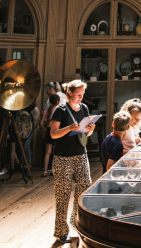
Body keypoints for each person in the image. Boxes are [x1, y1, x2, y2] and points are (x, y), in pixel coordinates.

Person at [48, 80, 96, 243]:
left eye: (83, 95)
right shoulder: (60, 110)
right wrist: (69, 128)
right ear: (69, 93)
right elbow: (53, 134)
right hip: (62, 158)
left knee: (84, 190)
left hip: (80, 155)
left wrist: (89, 131)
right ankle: (61, 232)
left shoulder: (84, 108)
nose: (81, 98)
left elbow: (84, 136)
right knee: (62, 194)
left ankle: (77, 224)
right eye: (78, 95)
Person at [42, 93, 61, 176]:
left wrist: (44, 130)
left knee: (47, 153)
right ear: (57, 102)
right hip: (56, 130)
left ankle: (45, 171)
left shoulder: (47, 111)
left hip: (49, 130)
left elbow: (40, 123)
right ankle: (54, 171)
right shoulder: (58, 111)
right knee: (56, 152)